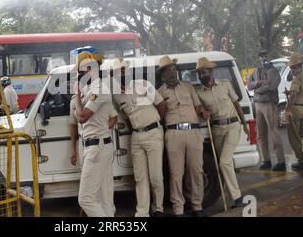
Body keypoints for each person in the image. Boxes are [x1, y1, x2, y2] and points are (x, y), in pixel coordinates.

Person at [110, 58, 165, 217]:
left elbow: (161, 104)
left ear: (127, 72)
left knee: (155, 175)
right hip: (136, 136)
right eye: (118, 72)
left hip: (154, 133)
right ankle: (142, 212)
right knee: (140, 177)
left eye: (123, 70)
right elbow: (125, 116)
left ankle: (158, 208)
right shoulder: (117, 97)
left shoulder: (143, 84)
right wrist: (135, 128)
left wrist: (155, 124)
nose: (122, 73)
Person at [195, 57, 250, 209]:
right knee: (225, 164)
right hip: (216, 129)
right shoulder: (199, 92)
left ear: (211, 72)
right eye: (199, 74)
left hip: (233, 126)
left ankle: (237, 198)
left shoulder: (225, 84)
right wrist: (202, 111)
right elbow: (198, 109)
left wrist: (245, 125)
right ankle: (227, 196)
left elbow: (236, 105)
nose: (201, 76)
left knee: (224, 162)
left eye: (204, 72)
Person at [157, 56, 206, 217]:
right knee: (176, 173)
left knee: (196, 170)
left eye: (173, 69)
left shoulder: (188, 87)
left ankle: (197, 206)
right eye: (168, 70)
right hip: (173, 133)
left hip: (193, 131)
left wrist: (204, 112)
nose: (172, 72)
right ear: (163, 75)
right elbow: (159, 117)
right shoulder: (159, 93)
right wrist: (162, 105)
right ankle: (179, 209)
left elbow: (198, 108)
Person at [70, 51, 117, 217]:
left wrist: (76, 95)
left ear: (90, 69)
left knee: (85, 199)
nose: (79, 78)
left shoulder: (99, 89)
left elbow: (82, 117)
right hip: (92, 145)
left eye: (81, 74)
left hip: (98, 146)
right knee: (103, 198)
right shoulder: (90, 89)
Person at [247, 50, 286, 171]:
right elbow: (249, 85)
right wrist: (258, 83)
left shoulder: (273, 71)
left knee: (274, 132)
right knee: (261, 134)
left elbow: (271, 86)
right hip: (258, 104)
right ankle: (266, 160)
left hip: (269, 103)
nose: (263, 58)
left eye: (265, 56)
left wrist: (257, 88)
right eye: (261, 56)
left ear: (269, 57)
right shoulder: (256, 70)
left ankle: (281, 162)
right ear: (259, 58)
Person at [284, 52, 303, 171]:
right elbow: (299, 92)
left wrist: (287, 110)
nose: (291, 69)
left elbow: (293, 96)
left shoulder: (297, 78)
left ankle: (302, 161)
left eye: (292, 67)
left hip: (296, 109)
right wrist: (290, 93)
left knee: (294, 137)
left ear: (296, 66)